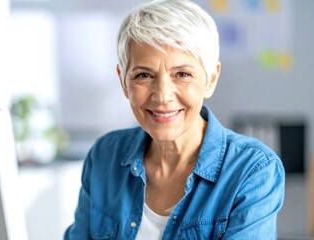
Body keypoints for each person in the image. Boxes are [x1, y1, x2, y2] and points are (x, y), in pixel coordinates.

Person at [64, 0, 285, 239]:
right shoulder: (104, 156)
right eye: (144, 75)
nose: (162, 95)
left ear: (210, 79)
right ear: (123, 81)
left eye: (182, 74)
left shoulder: (253, 170)